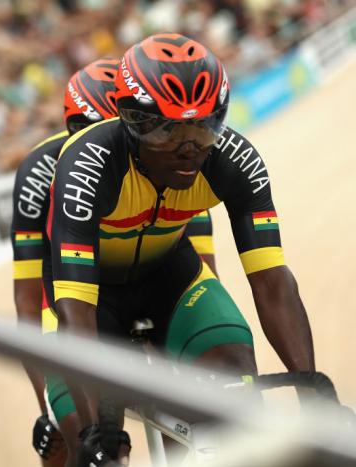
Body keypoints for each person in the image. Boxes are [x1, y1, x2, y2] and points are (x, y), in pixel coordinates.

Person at [43, 33, 314, 466]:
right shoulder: (89, 164)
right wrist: (94, 431)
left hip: (171, 284)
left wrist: (312, 393)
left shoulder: (233, 161)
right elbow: (76, 306)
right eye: (169, 130)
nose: (189, 147)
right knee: (91, 447)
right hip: (90, 302)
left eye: (206, 126)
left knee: (235, 394)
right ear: (132, 121)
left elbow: (272, 280)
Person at [12, 58, 217, 466]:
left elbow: (205, 270)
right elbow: (28, 303)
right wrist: (46, 410)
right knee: (75, 435)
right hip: (75, 296)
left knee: (189, 402)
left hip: (151, 283)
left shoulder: (170, 165)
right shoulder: (41, 172)